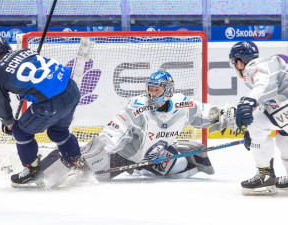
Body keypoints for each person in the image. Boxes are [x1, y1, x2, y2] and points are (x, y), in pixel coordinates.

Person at [79, 70, 236, 182]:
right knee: (97, 176)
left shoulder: (183, 104)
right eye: (150, 89)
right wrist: (99, 150)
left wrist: (225, 114)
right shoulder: (137, 107)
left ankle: (178, 150)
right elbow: (116, 130)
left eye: (157, 90)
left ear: (168, 90)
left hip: (158, 156)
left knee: (180, 167)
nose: (152, 94)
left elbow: (206, 113)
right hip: (126, 157)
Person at [0, 36, 83, 188]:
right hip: (71, 89)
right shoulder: (25, 52)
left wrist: (8, 123)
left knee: (20, 132)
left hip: (52, 101)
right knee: (58, 132)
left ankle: (32, 171)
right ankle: (78, 165)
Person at [229, 40, 288, 195]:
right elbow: (271, 97)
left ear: (239, 63)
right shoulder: (270, 64)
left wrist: (249, 101)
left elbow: (262, 85)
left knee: (255, 123)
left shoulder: (255, 67)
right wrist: (253, 134)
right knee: (284, 136)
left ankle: (265, 175)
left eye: (234, 63)